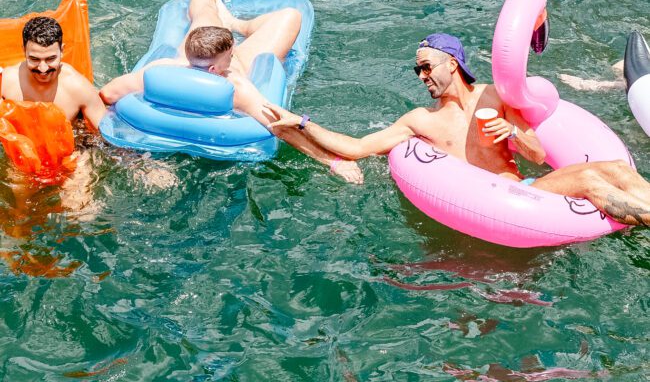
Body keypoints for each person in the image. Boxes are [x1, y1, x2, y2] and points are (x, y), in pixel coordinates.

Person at [263, 33, 650, 226]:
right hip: (492, 204)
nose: (422, 75)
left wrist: (513, 134)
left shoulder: (494, 97)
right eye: (418, 70)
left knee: (615, 168)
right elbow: (358, 147)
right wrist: (302, 122)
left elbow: (536, 154)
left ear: (452, 63)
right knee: (594, 184)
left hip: (528, 193)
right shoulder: (422, 120)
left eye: (427, 67)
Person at [100, 0, 363, 183]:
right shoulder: (235, 87)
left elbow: (108, 95)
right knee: (290, 16)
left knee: (204, 13)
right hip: (234, 69)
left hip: (197, 58)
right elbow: (281, 127)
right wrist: (333, 161)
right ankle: (241, 25)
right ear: (216, 69)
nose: (234, 49)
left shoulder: (160, 70)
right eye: (231, 51)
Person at [1, 16, 106, 130]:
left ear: (62, 51)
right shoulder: (5, 82)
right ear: (24, 50)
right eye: (34, 59)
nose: (43, 69)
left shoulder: (79, 89)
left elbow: (106, 138)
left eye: (50, 59)